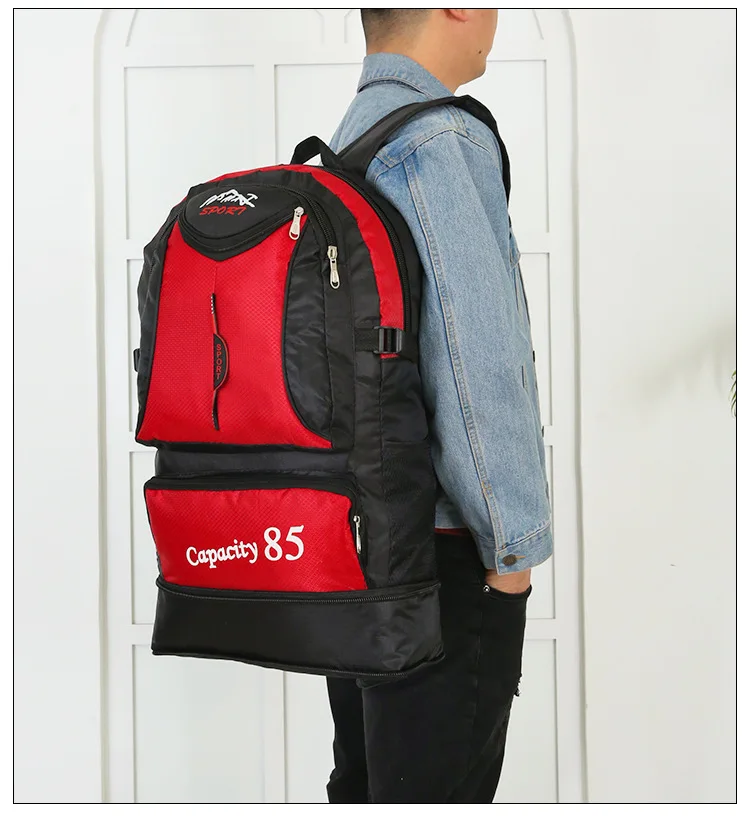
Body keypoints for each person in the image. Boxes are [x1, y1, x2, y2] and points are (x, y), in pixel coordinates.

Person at [324, 9, 553, 803]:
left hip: (355, 550)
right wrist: (512, 558)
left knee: (366, 786)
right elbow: (474, 358)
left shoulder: (346, 142)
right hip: (441, 559)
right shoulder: (436, 140)